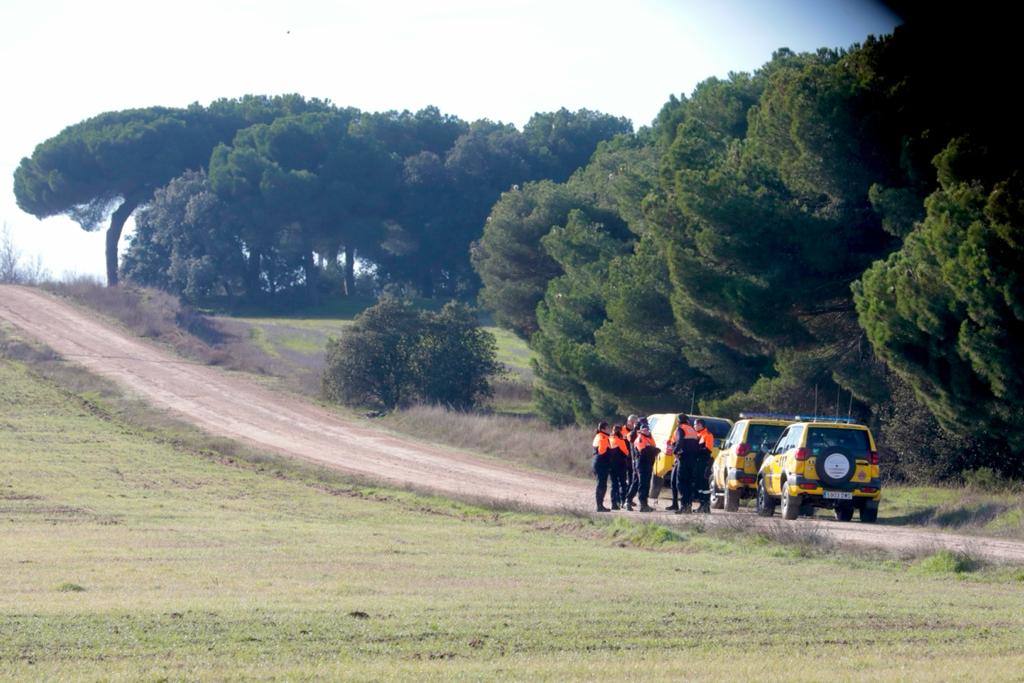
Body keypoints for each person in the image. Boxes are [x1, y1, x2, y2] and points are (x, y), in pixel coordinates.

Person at [668, 413, 700, 514]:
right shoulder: (692, 430)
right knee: (689, 483)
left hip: (684, 458)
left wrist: (675, 451)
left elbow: (680, 441)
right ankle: (688, 507)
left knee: (681, 483)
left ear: (678, 421)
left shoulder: (680, 429)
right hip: (693, 460)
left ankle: (683, 507)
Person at [628, 421, 659, 512]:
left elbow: (652, 449)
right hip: (641, 464)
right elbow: (643, 451)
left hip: (648, 463)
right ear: (640, 431)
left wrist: (653, 450)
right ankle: (642, 505)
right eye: (644, 429)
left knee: (646, 484)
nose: (646, 431)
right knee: (642, 484)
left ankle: (644, 504)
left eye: (647, 429)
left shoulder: (649, 438)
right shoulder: (640, 439)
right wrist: (653, 450)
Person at [693, 418, 715, 514]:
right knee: (699, 485)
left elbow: (708, 450)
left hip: (704, 463)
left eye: (696, 424)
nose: (694, 426)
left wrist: (695, 451)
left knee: (704, 485)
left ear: (701, 425)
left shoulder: (708, 435)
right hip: (698, 463)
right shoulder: (698, 435)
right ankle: (702, 505)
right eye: (694, 425)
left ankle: (706, 506)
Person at [592, 421, 612, 512]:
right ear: (603, 429)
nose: (609, 430)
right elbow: (602, 451)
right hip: (601, 464)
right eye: (608, 428)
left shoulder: (601, 436)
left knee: (603, 485)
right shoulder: (602, 437)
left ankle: (600, 505)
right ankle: (599, 506)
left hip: (601, 463)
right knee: (601, 485)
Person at [608, 424, 630, 510]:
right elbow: (626, 452)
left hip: (611, 464)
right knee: (623, 484)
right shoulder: (620, 440)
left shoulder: (609, 438)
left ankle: (614, 503)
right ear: (620, 431)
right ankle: (622, 501)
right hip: (620, 464)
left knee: (614, 484)